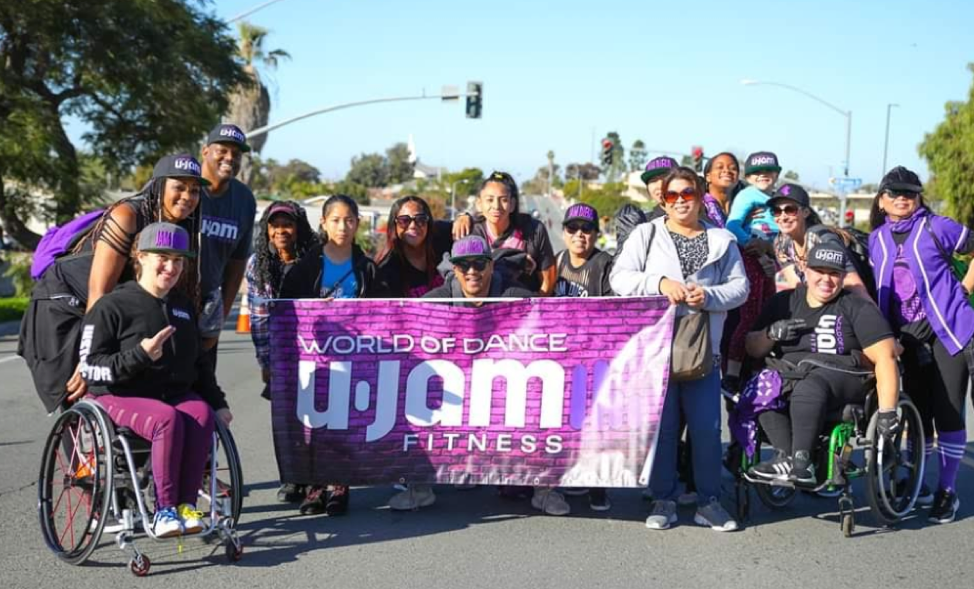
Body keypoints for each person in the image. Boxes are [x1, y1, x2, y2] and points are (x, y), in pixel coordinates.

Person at [610, 166, 749, 532]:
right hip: (656, 350)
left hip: (703, 349)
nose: (681, 201)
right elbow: (619, 277)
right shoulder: (646, 234)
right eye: (673, 195)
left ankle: (709, 501)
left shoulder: (722, 240)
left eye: (688, 193)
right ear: (664, 200)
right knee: (664, 429)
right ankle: (663, 499)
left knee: (706, 428)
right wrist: (659, 282)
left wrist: (711, 296)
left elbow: (741, 288)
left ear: (701, 195)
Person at [19, 154, 206, 413]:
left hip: (108, 305)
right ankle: (82, 451)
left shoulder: (184, 227)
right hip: (65, 302)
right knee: (83, 388)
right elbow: (99, 293)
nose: (188, 196)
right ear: (159, 185)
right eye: (179, 187)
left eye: (195, 190)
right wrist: (88, 364)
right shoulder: (127, 215)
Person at [78, 222, 232, 538]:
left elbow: (200, 364)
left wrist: (218, 403)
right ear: (141, 256)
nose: (171, 267)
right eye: (162, 257)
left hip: (170, 394)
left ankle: (186, 507)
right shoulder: (112, 306)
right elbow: (89, 367)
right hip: (118, 395)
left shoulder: (182, 307)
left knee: (201, 414)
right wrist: (141, 355)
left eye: (178, 260)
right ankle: (163, 510)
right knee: (166, 419)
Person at [419, 236, 575, 515]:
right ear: (453, 269)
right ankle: (418, 489)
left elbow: (554, 322)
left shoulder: (514, 295)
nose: (471, 272)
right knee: (414, 400)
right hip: (459, 389)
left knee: (544, 406)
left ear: (490, 266)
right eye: (462, 265)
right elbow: (404, 320)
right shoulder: (440, 298)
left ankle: (546, 490)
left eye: (479, 264)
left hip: (507, 386)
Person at [744, 241, 900, 487]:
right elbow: (752, 347)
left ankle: (802, 463)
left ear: (842, 277)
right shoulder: (784, 302)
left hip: (841, 375)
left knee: (811, 384)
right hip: (790, 374)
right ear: (805, 269)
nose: (826, 280)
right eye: (820, 271)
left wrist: (888, 411)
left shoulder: (855, 306)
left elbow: (886, 357)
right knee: (762, 385)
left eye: (834, 273)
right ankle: (785, 456)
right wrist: (771, 334)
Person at [867, 165, 974, 523]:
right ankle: (917, 481)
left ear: (918, 198)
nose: (902, 198)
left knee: (947, 411)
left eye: (910, 193)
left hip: (948, 330)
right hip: (904, 337)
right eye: (894, 193)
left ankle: (946, 490)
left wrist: (965, 289)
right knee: (917, 413)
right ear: (881, 200)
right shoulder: (876, 239)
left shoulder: (937, 226)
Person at [280, 194, 378, 516]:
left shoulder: (367, 269)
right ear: (323, 222)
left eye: (349, 220)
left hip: (354, 361)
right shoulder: (305, 268)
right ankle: (315, 486)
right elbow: (285, 313)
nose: (343, 226)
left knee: (345, 424)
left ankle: (340, 485)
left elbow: (383, 314)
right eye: (335, 220)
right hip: (314, 361)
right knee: (314, 424)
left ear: (357, 224)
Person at [245, 201, 320, 503]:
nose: (280, 231)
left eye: (287, 224)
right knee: (286, 418)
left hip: (318, 349)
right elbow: (259, 315)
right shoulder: (258, 264)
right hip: (282, 353)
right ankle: (291, 478)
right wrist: (266, 360)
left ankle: (318, 476)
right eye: (274, 225)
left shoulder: (316, 258)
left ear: (299, 227)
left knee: (316, 417)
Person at [548, 203, 614, 510]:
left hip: (594, 357)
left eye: (586, 230)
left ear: (595, 234)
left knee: (594, 424)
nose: (579, 235)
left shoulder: (605, 264)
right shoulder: (556, 262)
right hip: (559, 358)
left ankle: (597, 485)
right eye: (573, 229)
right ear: (563, 233)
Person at [721, 151, 780, 393]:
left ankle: (757, 370)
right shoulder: (747, 195)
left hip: (771, 259)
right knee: (750, 316)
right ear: (749, 176)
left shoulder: (776, 199)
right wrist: (750, 245)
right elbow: (732, 225)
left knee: (765, 315)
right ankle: (733, 373)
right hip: (751, 258)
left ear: (777, 174)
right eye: (757, 172)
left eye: (768, 171)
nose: (763, 176)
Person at [197, 124, 257, 359]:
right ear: (205, 151)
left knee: (202, 385)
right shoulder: (184, 187)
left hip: (207, 308)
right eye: (222, 150)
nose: (230, 158)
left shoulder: (244, 200)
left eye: (237, 154)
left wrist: (220, 317)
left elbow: (237, 264)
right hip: (166, 301)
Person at [451, 171, 556, 294]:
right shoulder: (470, 231)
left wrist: (535, 306)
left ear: (512, 204)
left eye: (503, 200)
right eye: (489, 200)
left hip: (524, 306)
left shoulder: (534, 229)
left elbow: (548, 279)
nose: (496, 206)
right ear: (479, 204)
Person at [770, 183, 873, 300]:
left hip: (846, 301)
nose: (783, 217)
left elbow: (854, 285)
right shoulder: (781, 243)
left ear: (805, 212)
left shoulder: (822, 238)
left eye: (790, 210)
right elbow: (798, 289)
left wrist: (873, 316)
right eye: (777, 211)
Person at [376, 195, 453, 298]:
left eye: (420, 219)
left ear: (428, 223)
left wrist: (464, 217)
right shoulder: (386, 270)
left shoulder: (442, 242)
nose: (413, 226)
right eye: (404, 220)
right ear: (394, 226)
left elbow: (465, 225)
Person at [641, 156, 679, 221]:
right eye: (653, 180)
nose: (660, 186)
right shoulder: (643, 222)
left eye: (665, 178)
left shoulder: (698, 218)